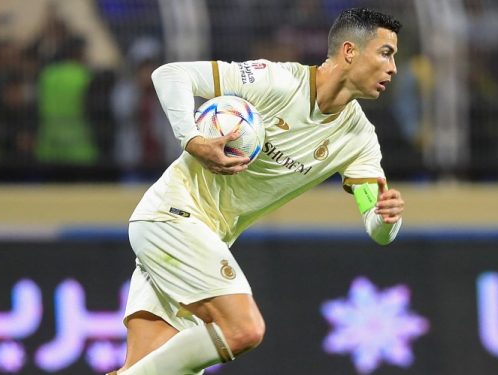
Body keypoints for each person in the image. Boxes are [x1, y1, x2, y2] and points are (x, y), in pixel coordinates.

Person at [112, 8, 405, 375]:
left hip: (190, 239)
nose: (393, 68)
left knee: (153, 368)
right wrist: (193, 140)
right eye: (385, 53)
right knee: (243, 329)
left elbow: (376, 226)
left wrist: (386, 218)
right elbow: (170, 74)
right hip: (172, 217)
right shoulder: (276, 81)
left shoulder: (359, 140)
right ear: (349, 51)